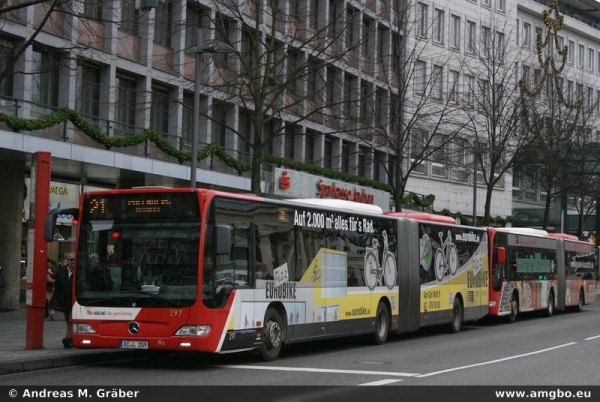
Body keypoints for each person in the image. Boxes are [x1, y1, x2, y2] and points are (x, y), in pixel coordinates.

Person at [50, 252, 75, 348]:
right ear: (68, 261)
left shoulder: (79, 271)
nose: (72, 262)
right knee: (67, 320)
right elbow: (58, 287)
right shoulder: (62, 271)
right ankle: (72, 339)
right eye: (71, 260)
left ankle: (68, 338)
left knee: (71, 319)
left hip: (75, 300)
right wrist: (55, 305)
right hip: (64, 300)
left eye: (74, 260)